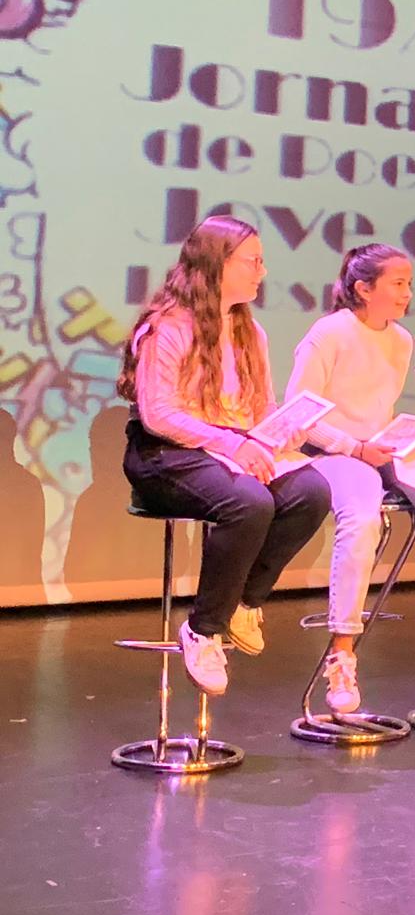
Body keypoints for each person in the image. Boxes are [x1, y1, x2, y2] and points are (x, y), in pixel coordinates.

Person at [116, 216, 332, 696]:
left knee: (312, 491)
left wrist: (284, 431)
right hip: (167, 454)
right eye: (253, 261)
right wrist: (233, 444)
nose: (262, 271)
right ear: (217, 264)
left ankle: (244, 603)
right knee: (249, 501)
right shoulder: (168, 327)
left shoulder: (250, 333)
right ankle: (204, 629)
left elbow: (260, 410)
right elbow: (159, 415)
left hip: (231, 449)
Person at [287, 243, 415, 715]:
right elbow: (299, 415)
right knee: (362, 517)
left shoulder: (400, 339)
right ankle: (342, 652)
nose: (407, 293)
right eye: (397, 283)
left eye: (408, 284)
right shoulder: (329, 333)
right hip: (333, 451)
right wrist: (354, 447)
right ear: (363, 288)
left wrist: (398, 438)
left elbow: (379, 407)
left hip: (379, 446)